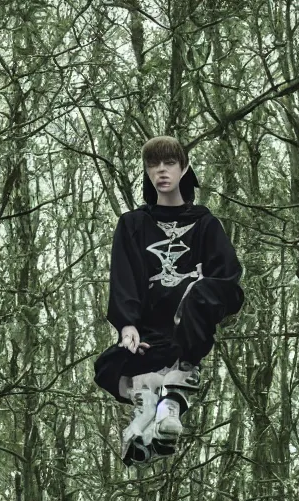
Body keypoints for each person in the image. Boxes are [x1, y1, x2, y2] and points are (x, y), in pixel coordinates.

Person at [94, 136, 244, 464]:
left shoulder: (205, 224)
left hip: (189, 330)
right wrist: (127, 325)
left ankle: (171, 398)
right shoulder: (133, 224)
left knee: (201, 293)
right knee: (108, 367)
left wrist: (200, 288)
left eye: (169, 163)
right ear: (147, 172)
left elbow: (229, 280)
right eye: (153, 164)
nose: (161, 170)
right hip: (152, 333)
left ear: (184, 168)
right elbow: (124, 277)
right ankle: (152, 409)